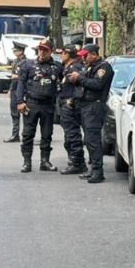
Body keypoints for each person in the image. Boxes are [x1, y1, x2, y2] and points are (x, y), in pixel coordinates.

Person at [67, 44, 114, 183]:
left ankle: (98, 172)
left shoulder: (104, 67)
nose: (84, 58)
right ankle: (93, 169)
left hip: (95, 106)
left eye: (86, 55)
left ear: (94, 54)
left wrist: (80, 78)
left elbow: (97, 84)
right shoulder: (91, 67)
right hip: (86, 106)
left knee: (93, 140)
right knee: (88, 139)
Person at [14, 40, 62, 172]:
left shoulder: (57, 66)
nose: (42, 52)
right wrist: (20, 102)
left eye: (45, 49)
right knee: (28, 134)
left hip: (48, 105)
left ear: (51, 51)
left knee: (47, 134)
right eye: (40, 49)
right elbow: (21, 84)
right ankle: (27, 162)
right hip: (31, 104)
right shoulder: (28, 65)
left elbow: (63, 85)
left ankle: (45, 161)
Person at [59, 46, 87, 175]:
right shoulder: (70, 67)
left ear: (68, 55)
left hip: (70, 104)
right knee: (70, 134)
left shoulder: (74, 68)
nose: (61, 56)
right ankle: (76, 161)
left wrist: (72, 100)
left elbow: (78, 86)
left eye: (63, 53)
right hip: (67, 103)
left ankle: (77, 163)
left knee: (72, 135)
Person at [5, 42, 29, 143]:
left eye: (16, 50)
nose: (15, 52)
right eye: (14, 50)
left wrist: (17, 77)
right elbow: (13, 78)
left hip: (24, 90)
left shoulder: (27, 63)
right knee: (14, 113)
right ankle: (15, 134)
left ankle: (26, 134)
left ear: (22, 51)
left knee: (26, 113)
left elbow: (27, 78)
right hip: (15, 89)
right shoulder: (15, 62)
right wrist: (10, 89)